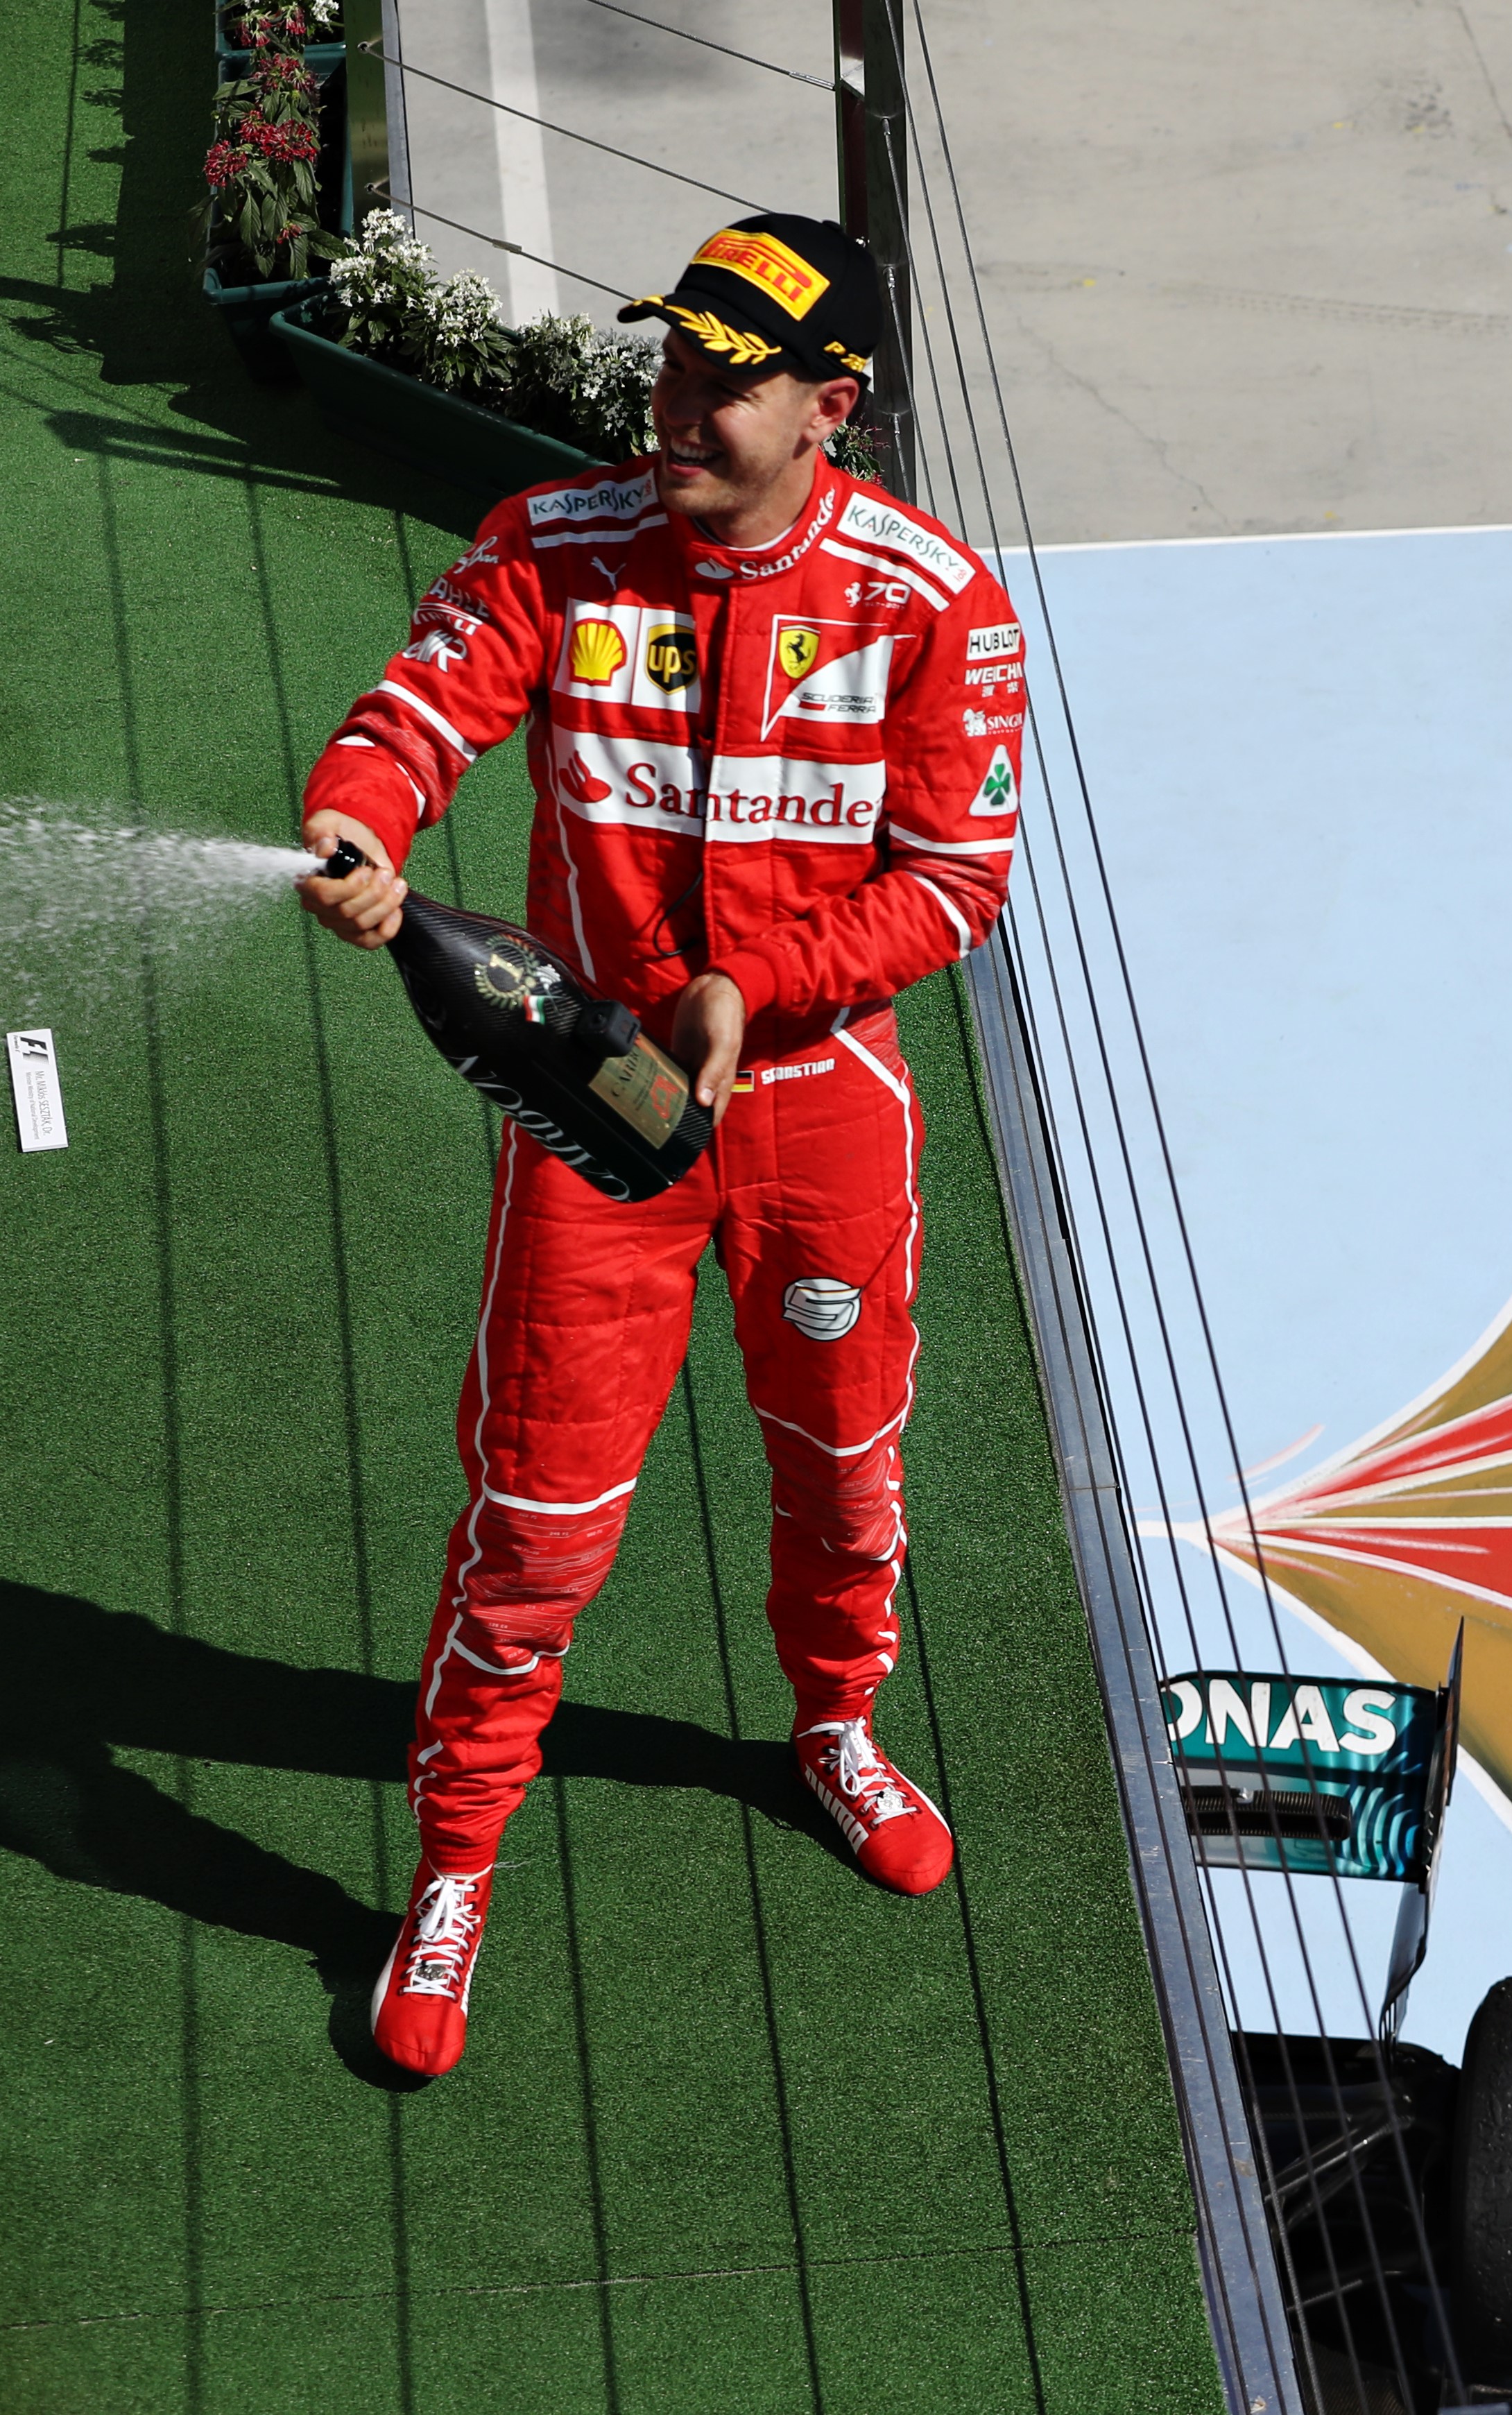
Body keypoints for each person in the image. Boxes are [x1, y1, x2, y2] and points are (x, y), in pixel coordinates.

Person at [291, 216, 1029, 2078]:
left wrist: (757, 985)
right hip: (596, 1112)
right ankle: (453, 1866)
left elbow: (956, 886)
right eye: (668, 362)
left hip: (819, 1120)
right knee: (531, 1531)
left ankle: (831, 1726)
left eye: (725, 377)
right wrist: (358, 826)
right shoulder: (550, 549)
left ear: (829, 407)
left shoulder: (940, 603)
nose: (673, 406)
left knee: (849, 1480)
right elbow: (418, 710)